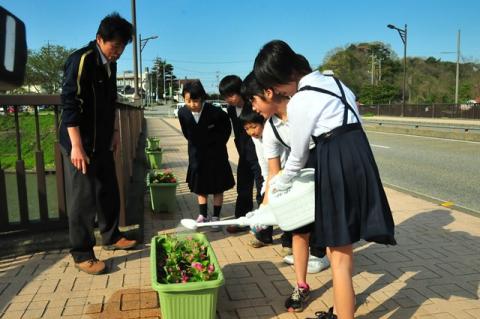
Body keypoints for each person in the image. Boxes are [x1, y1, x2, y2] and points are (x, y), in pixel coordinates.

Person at [253, 40, 396, 319]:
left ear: (285, 77)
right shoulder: (340, 85)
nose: (278, 93)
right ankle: (342, 310)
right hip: (361, 155)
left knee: (338, 256)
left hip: (335, 159)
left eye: (275, 86)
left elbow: (297, 155)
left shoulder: (301, 100)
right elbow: (356, 123)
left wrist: (280, 184)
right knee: (344, 252)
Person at [242, 71, 329, 313]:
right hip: (299, 177)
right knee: (300, 233)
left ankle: (345, 291)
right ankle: (301, 285)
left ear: (268, 93)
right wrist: (263, 209)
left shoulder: (301, 105)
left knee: (333, 236)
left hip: (327, 169)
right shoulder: (270, 129)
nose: (254, 108)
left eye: (254, 101)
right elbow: (273, 173)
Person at [59, 13, 137, 275]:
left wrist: (114, 130)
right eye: (114, 47)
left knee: (108, 189)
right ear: (99, 39)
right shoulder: (82, 60)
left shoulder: (110, 65)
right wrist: (77, 146)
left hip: (102, 139)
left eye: (122, 48)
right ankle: (81, 253)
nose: (117, 53)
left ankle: (112, 236)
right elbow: (70, 103)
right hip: (80, 141)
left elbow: (111, 100)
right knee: (83, 198)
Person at [178, 80, 235, 230]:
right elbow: (186, 132)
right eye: (188, 100)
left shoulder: (216, 113)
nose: (192, 104)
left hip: (216, 155)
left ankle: (215, 217)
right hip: (196, 155)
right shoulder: (182, 112)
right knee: (200, 187)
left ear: (202, 98)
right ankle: (203, 216)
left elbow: (226, 129)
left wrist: (217, 143)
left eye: (195, 101)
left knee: (218, 187)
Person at [219, 75, 263, 233]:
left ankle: (263, 229)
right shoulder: (231, 110)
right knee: (243, 188)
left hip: (260, 155)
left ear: (240, 91)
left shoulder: (253, 105)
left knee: (262, 190)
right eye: (225, 96)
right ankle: (241, 221)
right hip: (243, 154)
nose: (228, 99)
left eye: (231, 95)